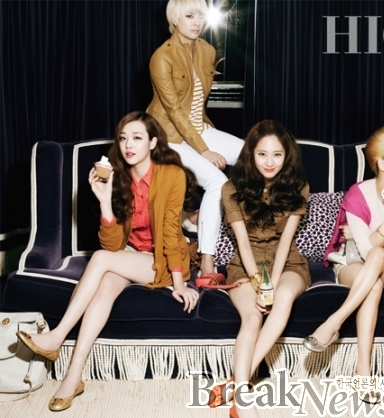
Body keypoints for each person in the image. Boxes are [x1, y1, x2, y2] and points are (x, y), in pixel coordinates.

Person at [16, 111, 200, 411]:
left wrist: (180, 283)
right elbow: (113, 244)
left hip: (162, 261)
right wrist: (104, 200)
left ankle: (57, 336)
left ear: (153, 142)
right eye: (123, 138)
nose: (128, 145)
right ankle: (73, 377)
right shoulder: (118, 177)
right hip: (129, 257)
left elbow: (170, 232)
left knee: (101, 260)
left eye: (137, 138)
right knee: (104, 286)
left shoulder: (172, 175)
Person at [303, 124, 384, 403]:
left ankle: (333, 322)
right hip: (352, 263)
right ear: (382, 163)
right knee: (373, 286)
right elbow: (365, 250)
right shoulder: (357, 194)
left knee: (379, 257)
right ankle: (363, 374)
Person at [208, 120, 310, 418]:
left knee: (283, 297)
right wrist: (257, 282)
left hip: (286, 262)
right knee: (252, 317)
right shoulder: (231, 189)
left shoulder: (299, 187)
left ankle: (236, 385)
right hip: (245, 263)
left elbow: (286, 241)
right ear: (251, 155)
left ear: (287, 156)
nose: (269, 162)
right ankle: (243, 398)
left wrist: (272, 284)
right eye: (262, 154)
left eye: (277, 155)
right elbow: (241, 242)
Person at [147, 0, 244, 275]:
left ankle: (247, 233)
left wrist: (204, 139)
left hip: (198, 128)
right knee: (217, 181)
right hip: (169, 135)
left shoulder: (207, 50)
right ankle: (207, 261)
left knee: (254, 157)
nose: (196, 22)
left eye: (200, 16)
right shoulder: (161, 57)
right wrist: (204, 150)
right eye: (189, 16)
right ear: (174, 20)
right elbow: (175, 112)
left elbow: (197, 104)